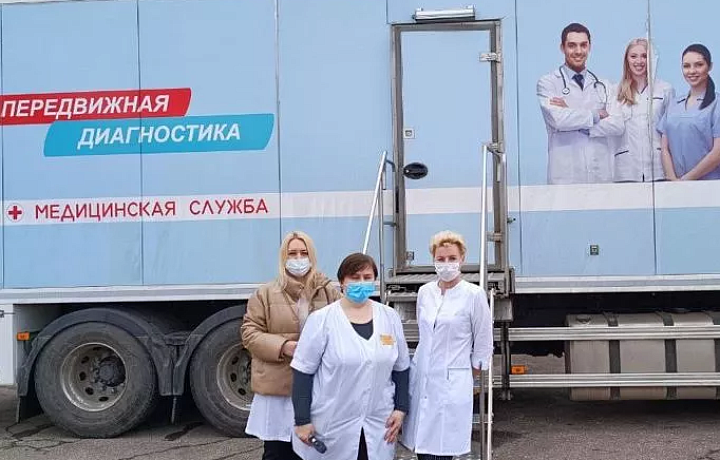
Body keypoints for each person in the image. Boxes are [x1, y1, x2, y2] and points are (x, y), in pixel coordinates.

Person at [290, 252, 410, 460]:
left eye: (367, 277)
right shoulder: (321, 320)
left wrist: (401, 409)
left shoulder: (389, 317)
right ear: (342, 282)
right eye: (355, 278)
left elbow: (401, 368)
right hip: (331, 424)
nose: (361, 282)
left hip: (378, 422)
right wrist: (302, 420)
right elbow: (302, 373)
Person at [241, 231, 341, 460]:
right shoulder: (265, 294)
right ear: (283, 258)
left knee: (313, 451)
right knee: (278, 451)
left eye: (303, 253)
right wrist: (283, 346)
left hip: (317, 388)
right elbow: (249, 333)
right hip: (278, 388)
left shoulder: (328, 292)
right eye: (292, 253)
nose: (298, 259)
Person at [401, 231, 494, 460]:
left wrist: (466, 375)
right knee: (422, 449)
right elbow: (425, 334)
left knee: (442, 450)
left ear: (462, 259)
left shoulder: (474, 295)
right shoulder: (425, 292)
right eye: (441, 259)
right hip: (423, 378)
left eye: (452, 258)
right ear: (433, 259)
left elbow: (483, 343)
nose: (446, 264)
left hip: (453, 383)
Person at [537, 22, 624, 185]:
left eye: (583, 45)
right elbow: (558, 120)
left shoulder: (604, 85)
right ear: (562, 48)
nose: (578, 51)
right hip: (565, 175)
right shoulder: (548, 83)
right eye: (572, 45)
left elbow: (617, 125)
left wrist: (572, 115)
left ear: (589, 47)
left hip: (600, 173)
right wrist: (595, 115)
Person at [613, 38, 675, 182]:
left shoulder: (665, 89)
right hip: (626, 168)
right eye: (633, 56)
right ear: (627, 60)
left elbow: (671, 130)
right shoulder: (615, 91)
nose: (639, 61)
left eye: (644, 56)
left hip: (658, 167)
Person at [658, 43, 720, 181]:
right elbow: (665, 148)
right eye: (686, 66)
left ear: (710, 66)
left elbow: (717, 153)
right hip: (676, 185)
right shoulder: (674, 105)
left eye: (699, 65)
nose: (692, 71)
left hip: (710, 186)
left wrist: (686, 180)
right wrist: (673, 180)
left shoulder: (717, 104)